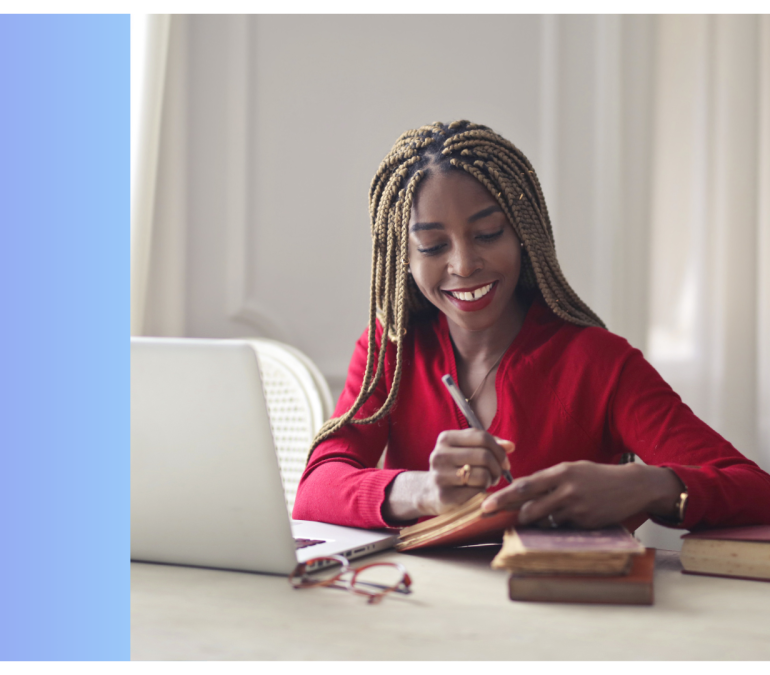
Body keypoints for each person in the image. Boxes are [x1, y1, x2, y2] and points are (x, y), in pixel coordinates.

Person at [292, 120, 770, 532]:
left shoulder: (598, 362)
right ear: (404, 258)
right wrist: (423, 491)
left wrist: (647, 485)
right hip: (418, 602)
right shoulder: (390, 351)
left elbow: (755, 488)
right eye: (434, 246)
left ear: (523, 232)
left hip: (568, 604)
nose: (464, 264)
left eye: (488, 234)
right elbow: (315, 489)